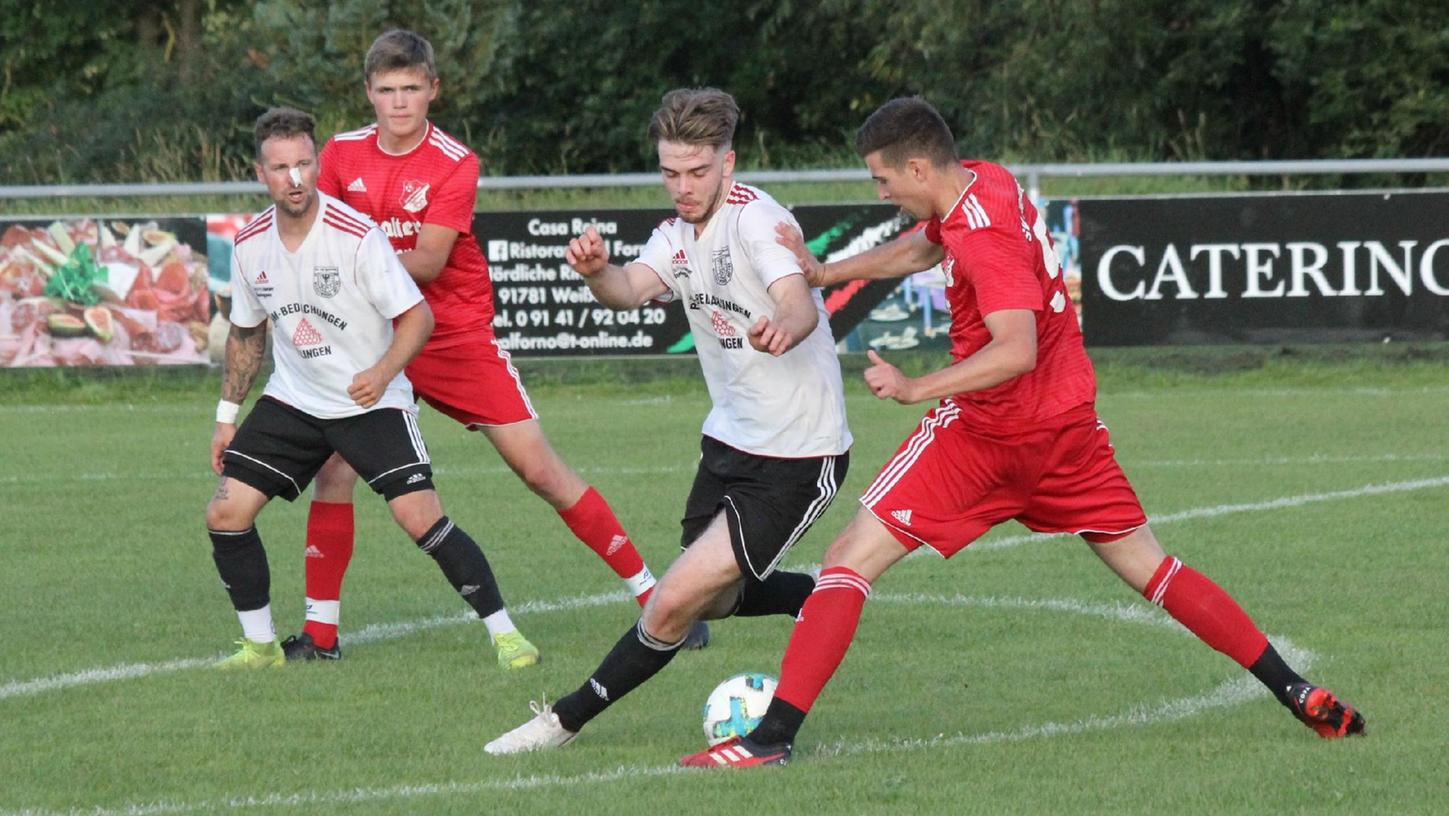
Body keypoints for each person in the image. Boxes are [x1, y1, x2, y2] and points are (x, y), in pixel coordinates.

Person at [679, 96, 1365, 768]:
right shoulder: (987, 181)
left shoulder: (983, 243)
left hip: (985, 437)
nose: (882, 192)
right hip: (1066, 432)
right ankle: (1294, 689)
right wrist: (829, 271)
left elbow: (1015, 349)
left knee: (846, 562)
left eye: (882, 180)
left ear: (918, 168)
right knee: (1154, 569)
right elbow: (925, 245)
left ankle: (769, 740)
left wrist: (915, 387)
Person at [286, 29, 697, 668]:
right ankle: (320, 633)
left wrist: (347, 259)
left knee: (539, 469)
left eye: (411, 90)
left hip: (451, 334)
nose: (399, 103)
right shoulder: (338, 155)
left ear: (433, 90)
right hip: (371, 335)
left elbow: (426, 261)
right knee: (334, 470)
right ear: (368, 92)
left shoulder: (455, 161)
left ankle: (656, 595)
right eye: (387, 91)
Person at [483, 87, 853, 754]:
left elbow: (796, 301)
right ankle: (824, 593)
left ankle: (560, 721)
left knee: (671, 601)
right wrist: (598, 272)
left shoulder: (756, 223)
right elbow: (627, 291)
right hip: (729, 440)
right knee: (709, 599)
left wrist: (786, 327)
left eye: (696, 172)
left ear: (728, 164)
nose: (682, 187)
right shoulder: (675, 233)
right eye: (670, 172)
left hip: (798, 451)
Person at [206, 107, 514, 669]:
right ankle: (260, 647)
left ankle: (506, 635)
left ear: (317, 164)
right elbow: (246, 336)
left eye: (304, 163)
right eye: (280, 168)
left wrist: (382, 372)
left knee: (419, 517)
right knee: (226, 513)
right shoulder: (250, 244)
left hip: (368, 398)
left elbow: (418, 316)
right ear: (261, 174)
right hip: (295, 399)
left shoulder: (356, 235)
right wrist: (227, 415)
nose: (294, 179)